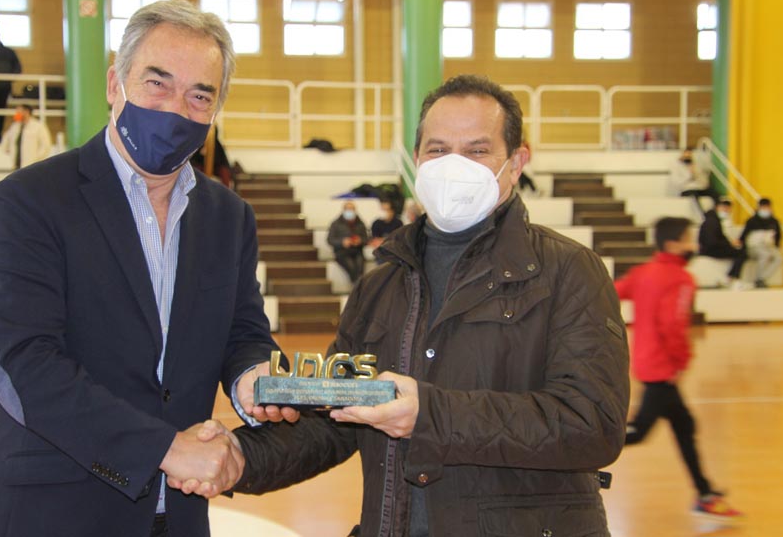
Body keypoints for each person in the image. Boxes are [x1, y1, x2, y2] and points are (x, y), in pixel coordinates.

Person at [229, 75, 631, 536]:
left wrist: (430, 414)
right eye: (438, 150)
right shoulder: (379, 286)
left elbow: (592, 423)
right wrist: (238, 457)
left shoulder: (568, 271)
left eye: (477, 150)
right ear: (417, 159)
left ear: (517, 162)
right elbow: (337, 422)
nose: (454, 164)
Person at [0, 2, 298, 537]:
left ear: (215, 110)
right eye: (157, 83)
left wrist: (253, 379)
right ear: (115, 84)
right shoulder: (29, 201)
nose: (175, 110)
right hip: (51, 514)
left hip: (178, 515)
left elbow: (243, 333)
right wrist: (164, 448)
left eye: (199, 95)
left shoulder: (229, 216)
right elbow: (25, 364)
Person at [615, 217, 743, 520]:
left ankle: (705, 492)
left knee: (685, 427)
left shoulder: (644, 273)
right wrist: (680, 362)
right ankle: (565, 455)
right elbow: (673, 324)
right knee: (637, 434)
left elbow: (611, 291)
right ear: (673, 244)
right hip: (663, 370)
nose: (693, 245)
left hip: (648, 364)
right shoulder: (681, 279)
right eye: (688, 239)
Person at [698, 199, 750, 289]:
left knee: (740, 251)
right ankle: (732, 278)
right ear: (718, 207)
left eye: (728, 210)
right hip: (709, 249)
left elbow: (720, 237)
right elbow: (712, 241)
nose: (727, 211)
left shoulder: (714, 220)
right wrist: (729, 244)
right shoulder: (712, 221)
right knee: (741, 253)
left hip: (712, 247)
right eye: (724, 209)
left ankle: (730, 278)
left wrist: (730, 243)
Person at [739, 198, 783, 288]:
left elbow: (778, 235)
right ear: (759, 207)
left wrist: (777, 246)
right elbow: (744, 234)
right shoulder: (752, 220)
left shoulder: (774, 221)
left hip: (768, 245)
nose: (765, 209)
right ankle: (758, 279)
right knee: (765, 255)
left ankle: (761, 278)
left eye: (767, 207)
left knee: (779, 258)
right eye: (763, 207)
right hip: (754, 247)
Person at [0, 104, 52, 169]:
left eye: (19, 112)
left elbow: (45, 146)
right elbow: (6, 139)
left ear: (26, 112)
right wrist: (8, 150)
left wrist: (36, 159)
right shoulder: (15, 126)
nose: (17, 114)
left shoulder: (38, 126)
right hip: (16, 165)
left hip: (31, 165)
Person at [327, 200, 368, 284]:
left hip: (357, 251)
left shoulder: (360, 223)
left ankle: (358, 289)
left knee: (360, 267)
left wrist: (360, 241)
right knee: (351, 267)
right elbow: (330, 240)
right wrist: (342, 242)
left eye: (352, 209)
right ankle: (357, 288)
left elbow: (366, 239)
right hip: (341, 252)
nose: (350, 211)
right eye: (348, 209)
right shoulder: (336, 224)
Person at [671, 148, 719, 216]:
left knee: (715, 194)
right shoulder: (676, 167)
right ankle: (702, 215)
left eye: (689, 156)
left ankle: (716, 213)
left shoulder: (696, 165)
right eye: (686, 156)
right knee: (694, 197)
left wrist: (695, 171)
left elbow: (704, 181)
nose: (688, 157)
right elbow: (677, 183)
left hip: (699, 188)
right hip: (686, 189)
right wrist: (689, 174)